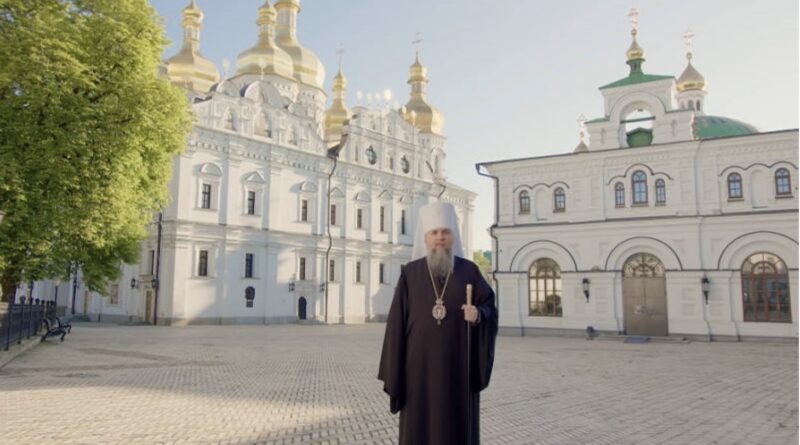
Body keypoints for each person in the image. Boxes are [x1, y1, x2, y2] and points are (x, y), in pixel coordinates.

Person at [378, 202, 498, 444]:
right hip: (418, 373)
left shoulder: (470, 271)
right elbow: (396, 326)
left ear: (453, 236)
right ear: (426, 238)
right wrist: (395, 371)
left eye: (445, 232)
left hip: (458, 371)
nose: (440, 238)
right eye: (434, 233)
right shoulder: (410, 274)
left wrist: (478, 315)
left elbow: (489, 308)